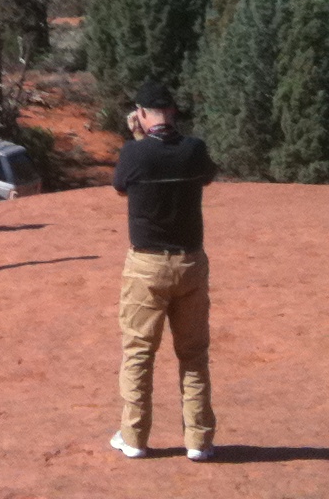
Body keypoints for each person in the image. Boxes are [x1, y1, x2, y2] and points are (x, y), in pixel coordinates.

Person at [109, 78, 218, 463]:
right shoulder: (194, 150)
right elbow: (205, 174)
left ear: (139, 113)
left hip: (147, 266)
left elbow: (121, 187)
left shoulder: (133, 153)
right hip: (190, 263)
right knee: (193, 354)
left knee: (138, 352)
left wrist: (138, 139)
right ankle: (199, 440)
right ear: (172, 112)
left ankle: (134, 436)